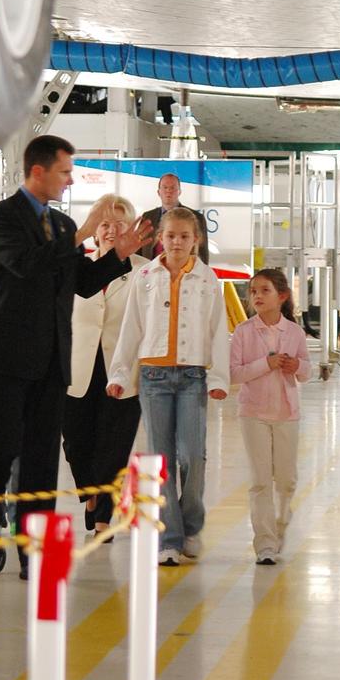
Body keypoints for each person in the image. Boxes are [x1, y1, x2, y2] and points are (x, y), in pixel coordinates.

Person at [0, 136, 152, 578]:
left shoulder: (62, 223)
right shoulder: (2, 217)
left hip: (52, 362)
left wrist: (119, 256)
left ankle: (32, 551)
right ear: (38, 172)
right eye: (65, 171)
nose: (70, 180)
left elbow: (82, 282)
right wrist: (84, 233)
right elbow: (26, 264)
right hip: (4, 358)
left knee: (40, 461)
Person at [107, 206, 229, 567]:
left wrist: (219, 378)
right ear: (161, 238)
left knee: (192, 455)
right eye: (171, 235)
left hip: (193, 377)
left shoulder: (208, 280)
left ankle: (191, 523)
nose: (177, 242)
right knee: (161, 460)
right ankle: (169, 538)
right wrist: (119, 373)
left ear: (196, 241)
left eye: (184, 236)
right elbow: (131, 327)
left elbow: (217, 331)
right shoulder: (145, 276)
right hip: (154, 378)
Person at [63, 195, 145, 537]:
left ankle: (103, 518)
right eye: (105, 224)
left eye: (120, 224)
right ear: (95, 231)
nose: (111, 230)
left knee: (114, 446)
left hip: (122, 368)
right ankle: (91, 493)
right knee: (76, 443)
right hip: (78, 366)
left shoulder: (144, 271)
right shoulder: (79, 267)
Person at [230, 268, 312, 565]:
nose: (257, 296)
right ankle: (264, 543)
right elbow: (234, 373)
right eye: (253, 291)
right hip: (253, 414)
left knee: (287, 480)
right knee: (260, 481)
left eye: (265, 290)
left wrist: (296, 366)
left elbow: (307, 371)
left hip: (287, 414)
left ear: (282, 296)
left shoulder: (294, 332)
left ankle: (280, 522)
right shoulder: (243, 332)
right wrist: (267, 364)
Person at [139, 172, 209, 264]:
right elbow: (138, 250)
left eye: (172, 188)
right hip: (151, 270)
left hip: (184, 271)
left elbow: (203, 255)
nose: (168, 191)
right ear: (158, 192)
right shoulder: (147, 216)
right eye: (165, 187)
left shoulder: (197, 217)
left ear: (179, 192)